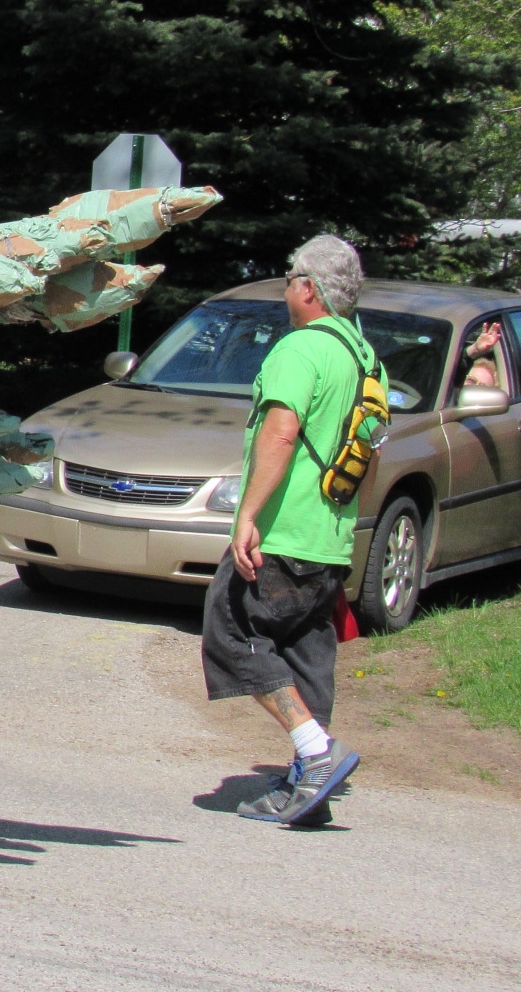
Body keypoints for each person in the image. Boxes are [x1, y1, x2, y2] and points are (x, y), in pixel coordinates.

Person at [203, 234, 371, 826]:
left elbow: (281, 431)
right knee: (305, 650)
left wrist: (247, 515)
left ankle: (315, 754)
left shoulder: (301, 350)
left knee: (230, 630)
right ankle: (310, 786)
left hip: (284, 531)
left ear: (309, 288)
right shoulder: (362, 355)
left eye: (290, 278)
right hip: (329, 537)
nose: (285, 289)